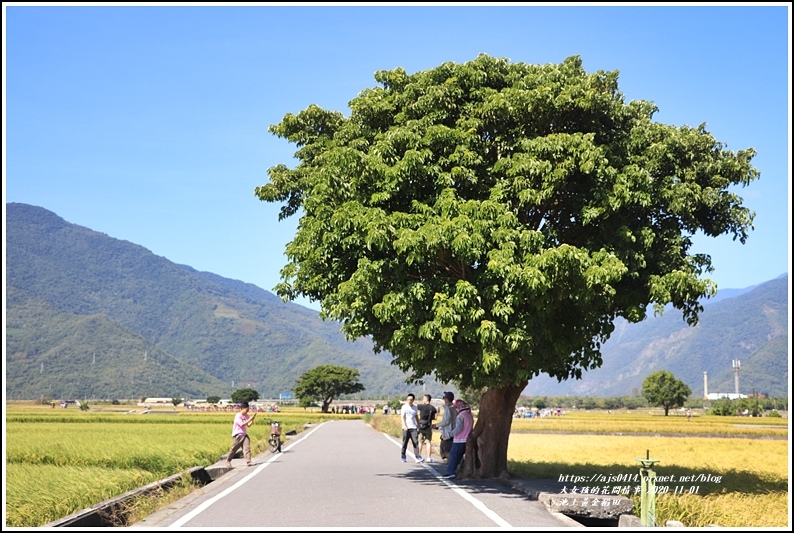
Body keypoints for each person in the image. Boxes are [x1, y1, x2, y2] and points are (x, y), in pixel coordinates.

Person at [443, 398, 474, 479]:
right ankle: (455, 470)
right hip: (467, 440)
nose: (456, 409)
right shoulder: (469, 415)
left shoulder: (461, 416)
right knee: (459, 456)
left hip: (459, 440)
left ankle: (450, 472)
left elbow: (458, 429)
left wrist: (449, 434)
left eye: (456, 407)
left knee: (453, 455)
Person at [225, 401, 257, 468]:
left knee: (247, 448)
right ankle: (228, 461)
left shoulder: (246, 416)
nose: (247, 411)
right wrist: (250, 419)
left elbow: (248, 425)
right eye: (246, 410)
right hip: (238, 435)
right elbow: (242, 424)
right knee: (234, 449)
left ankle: (249, 461)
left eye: (248, 410)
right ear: (242, 408)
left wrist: (252, 420)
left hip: (244, 434)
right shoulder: (238, 415)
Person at [433, 391, 457, 461]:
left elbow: (446, 421)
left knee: (444, 452)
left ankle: (456, 462)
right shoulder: (454, 408)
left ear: (446, 399)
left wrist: (436, 425)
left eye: (444, 398)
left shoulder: (448, 408)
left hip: (447, 433)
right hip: (453, 433)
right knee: (450, 450)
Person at [399, 393, 422, 463]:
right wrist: (404, 425)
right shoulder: (404, 407)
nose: (409, 401)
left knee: (415, 442)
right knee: (405, 443)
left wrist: (418, 425)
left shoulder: (415, 407)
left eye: (411, 399)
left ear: (413, 400)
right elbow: (402, 417)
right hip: (406, 427)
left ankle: (417, 456)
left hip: (413, 427)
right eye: (408, 399)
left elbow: (416, 417)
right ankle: (403, 456)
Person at [416, 394, 438, 463]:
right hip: (428, 426)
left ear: (426, 399)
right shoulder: (433, 408)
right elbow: (435, 418)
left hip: (421, 426)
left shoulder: (421, 407)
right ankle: (429, 457)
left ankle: (419, 456)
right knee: (428, 442)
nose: (423, 400)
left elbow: (414, 406)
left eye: (423, 399)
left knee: (420, 442)